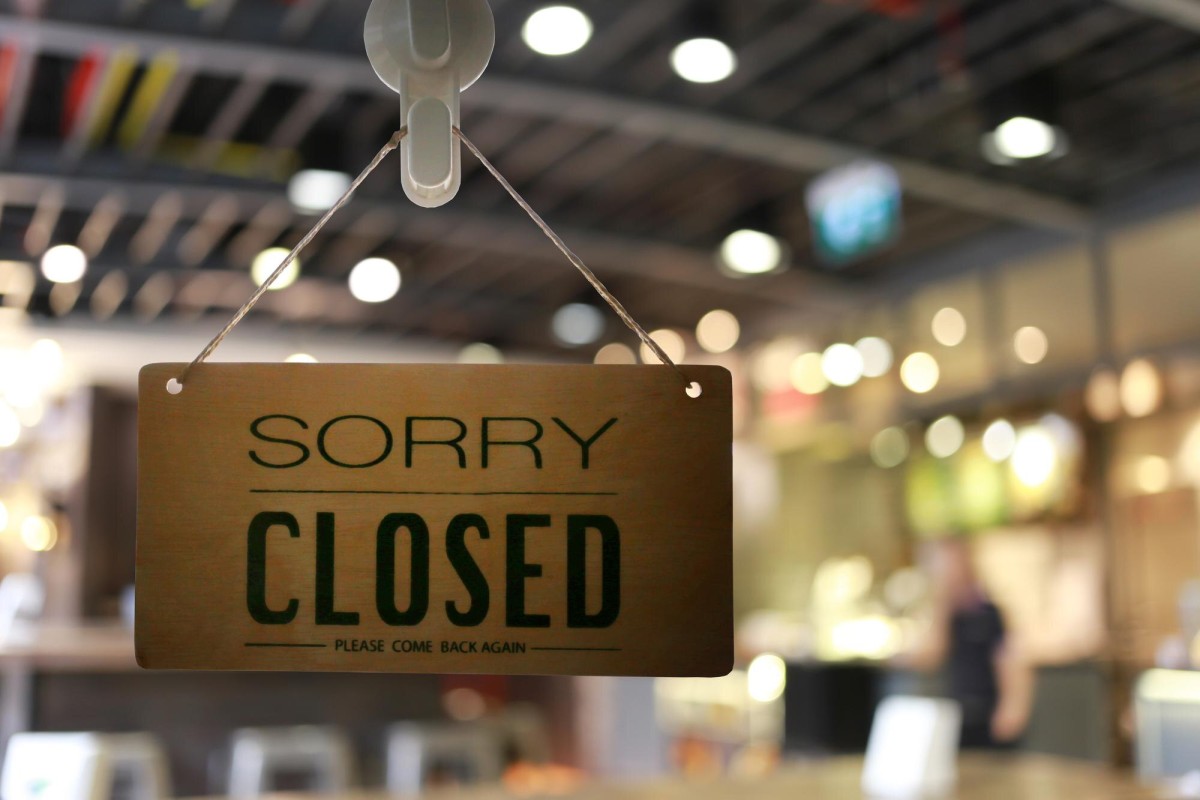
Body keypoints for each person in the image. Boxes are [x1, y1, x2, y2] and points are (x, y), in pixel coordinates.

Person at [902, 538, 1034, 749]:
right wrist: (940, 607)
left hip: (988, 713)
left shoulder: (989, 612)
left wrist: (1013, 705)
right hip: (950, 716)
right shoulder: (940, 618)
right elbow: (929, 655)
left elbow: (1011, 660)